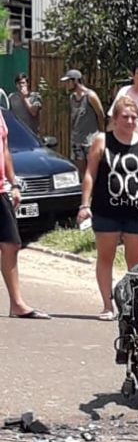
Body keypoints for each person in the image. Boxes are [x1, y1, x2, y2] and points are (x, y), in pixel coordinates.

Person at [76, 96, 138, 320]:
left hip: (135, 210)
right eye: (125, 117)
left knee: (135, 261)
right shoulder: (102, 141)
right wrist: (84, 204)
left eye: (134, 117)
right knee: (106, 257)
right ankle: (108, 306)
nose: (130, 121)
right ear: (115, 119)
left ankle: (133, 306)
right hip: (106, 209)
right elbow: (90, 174)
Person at [0, 108, 48, 319]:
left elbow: (4, 150)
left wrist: (14, 184)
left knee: (11, 244)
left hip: (1, 189)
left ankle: (17, 304)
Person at [61, 69, 105, 179]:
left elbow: (100, 115)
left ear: (75, 81)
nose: (66, 85)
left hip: (90, 140)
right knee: (80, 172)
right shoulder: (72, 97)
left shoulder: (90, 96)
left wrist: (101, 134)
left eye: (68, 82)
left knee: (93, 170)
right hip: (77, 140)